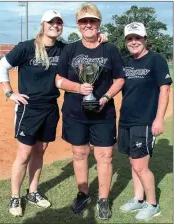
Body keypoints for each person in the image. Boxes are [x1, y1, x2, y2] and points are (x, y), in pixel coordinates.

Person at [0, 10, 106, 217]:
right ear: (43, 24)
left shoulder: (63, 49)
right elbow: (2, 66)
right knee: (24, 154)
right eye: (51, 22)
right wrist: (10, 93)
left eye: (58, 22)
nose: (55, 25)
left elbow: (84, 51)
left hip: (50, 107)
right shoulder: (27, 47)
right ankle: (14, 196)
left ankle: (33, 192)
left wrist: (99, 39)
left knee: (40, 150)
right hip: (28, 108)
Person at [55, 3, 125, 220]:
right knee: (80, 153)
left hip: (103, 113)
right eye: (84, 21)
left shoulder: (110, 49)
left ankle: (103, 199)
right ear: (78, 24)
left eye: (92, 21)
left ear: (98, 24)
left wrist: (105, 97)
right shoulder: (70, 49)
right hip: (75, 113)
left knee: (104, 155)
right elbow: (58, 79)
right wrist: (77, 87)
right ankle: (83, 194)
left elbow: (119, 78)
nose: (88, 25)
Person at [118, 22, 173, 221]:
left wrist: (158, 119)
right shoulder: (125, 62)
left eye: (137, 38)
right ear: (126, 41)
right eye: (130, 39)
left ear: (145, 39)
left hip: (145, 121)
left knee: (141, 165)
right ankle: (138, 199)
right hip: (126, 120)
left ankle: (153, 204)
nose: (134, 42)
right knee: (133, 162)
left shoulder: (155, 59)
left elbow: (164, 90)